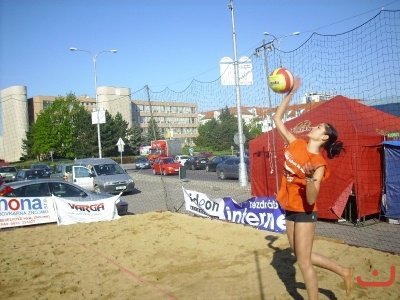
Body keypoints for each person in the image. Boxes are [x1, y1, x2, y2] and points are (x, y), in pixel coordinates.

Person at [272, 77, 353, 299]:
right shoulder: (295, 143)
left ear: (324, 137)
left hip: (306, 212)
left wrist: (308, 179)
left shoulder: (319, 164)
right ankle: (343, 271)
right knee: (300, 254)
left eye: (319, 127)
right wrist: (290, 93)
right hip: (290, 207)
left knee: (304, 263)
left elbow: (312, 197)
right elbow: (277, 119)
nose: (315, 127)